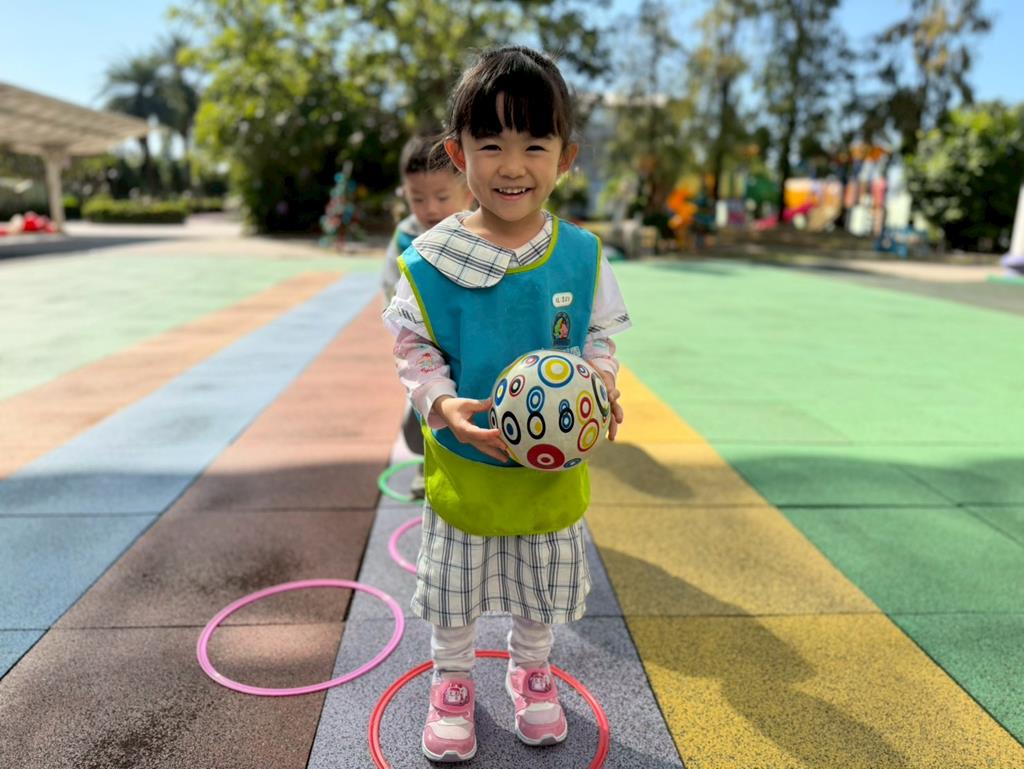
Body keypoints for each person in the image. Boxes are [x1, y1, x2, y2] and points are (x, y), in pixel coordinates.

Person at [382, 45, 630, 763]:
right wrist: (439, 404)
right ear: (459, 154)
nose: (512, 165)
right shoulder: (433, 259)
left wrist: (600, 381)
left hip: (548, 471)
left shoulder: (581, 255)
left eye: (534, 145)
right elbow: (412, 345)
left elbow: (598, 335)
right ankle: (452, 680)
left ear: (566, 157)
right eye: (491, 145)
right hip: (468, 465)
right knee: (456, 590)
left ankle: (532, 671)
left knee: (538, 587)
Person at [382, 135, 474, 498]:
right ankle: (428, 465)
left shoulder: (477, 231)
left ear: (468, 191)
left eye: (441, 197)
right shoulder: (406, 237)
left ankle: (470, 467)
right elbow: (390, 284)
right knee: (429, 402)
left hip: (467, 338)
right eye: (418, 199)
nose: (430, 208)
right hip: (427, 342)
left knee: (468, 402)